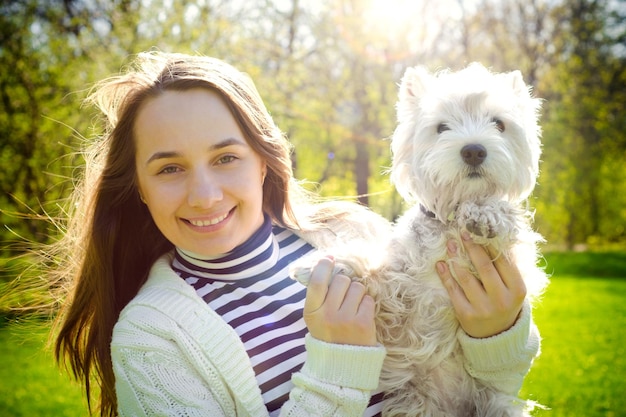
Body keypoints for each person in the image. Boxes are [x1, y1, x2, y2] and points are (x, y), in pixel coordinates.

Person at [51, 51, 540, 417]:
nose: (204, 195)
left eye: (226, 158)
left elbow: (489, 382)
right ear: (137, 185)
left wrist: (496, 335)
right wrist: (336, 363)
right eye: (170, 168)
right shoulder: (151, 340)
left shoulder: (355, 232)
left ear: (263, 160)